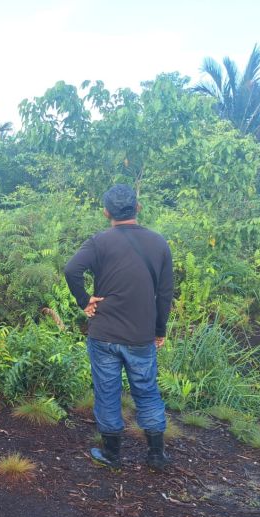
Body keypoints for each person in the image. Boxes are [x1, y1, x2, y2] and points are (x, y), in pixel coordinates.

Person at [64, 185, 174, 471]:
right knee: (147, 390)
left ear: (106, 212)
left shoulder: (99, 242)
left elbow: (71, 270)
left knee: (107, 392)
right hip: (141, 335)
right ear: (138, 208)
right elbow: (165, 294)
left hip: (104, 334)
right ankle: (156, 455)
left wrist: (84, 300)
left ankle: (112, 455)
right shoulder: (159, 243)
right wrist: (159, 330)